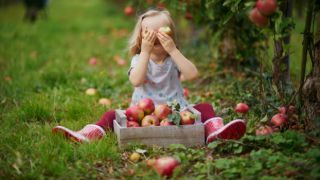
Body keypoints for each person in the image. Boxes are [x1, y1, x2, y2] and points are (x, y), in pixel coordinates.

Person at [52, 9, 246, 143]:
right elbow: (135, 80)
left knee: (204, 107)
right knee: (111, 115)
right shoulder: (139, 58)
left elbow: (193, 75)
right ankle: (89, 134)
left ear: (170, 36)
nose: (155, 36)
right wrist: (144, 52)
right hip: (142, 115)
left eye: (161, 31)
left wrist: (173, 50)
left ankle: (215, 132)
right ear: (141, 38)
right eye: (148, 33)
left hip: (176, 114)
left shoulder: (173, 59)